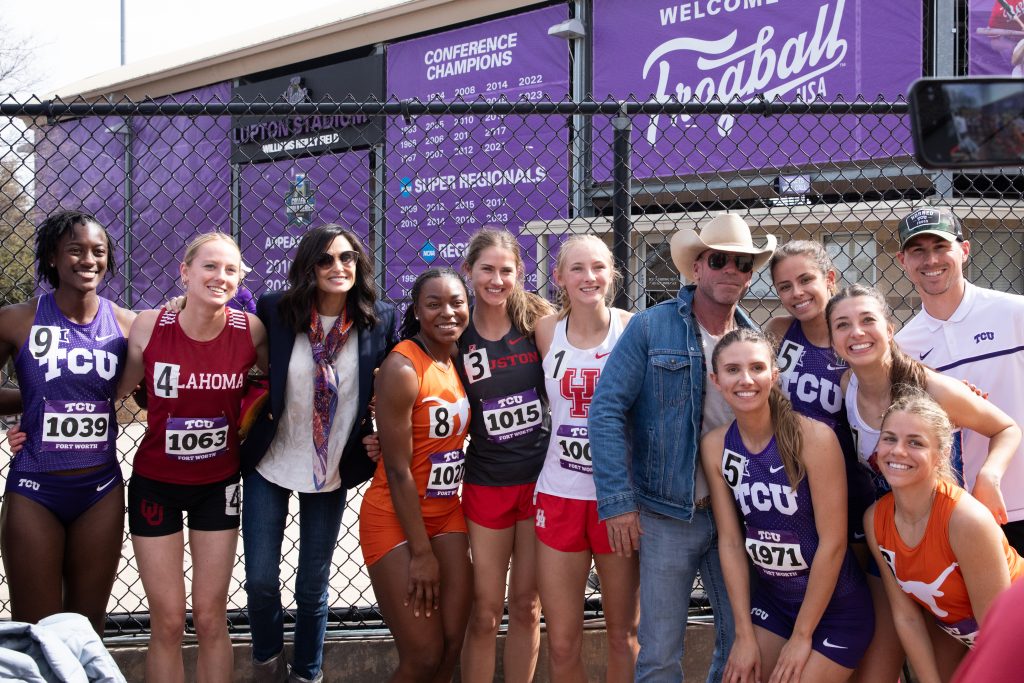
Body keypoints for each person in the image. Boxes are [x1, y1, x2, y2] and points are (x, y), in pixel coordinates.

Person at [590, 212, 777, 682]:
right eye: (720, 260)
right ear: (696, 267)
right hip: (668, 512)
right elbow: (606, 409)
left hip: (739, 512)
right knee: (659, 652)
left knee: (740, 642)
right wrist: (618, 503)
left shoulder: (755, 340)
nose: (732, 270)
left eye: (743, 263)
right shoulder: (652, 327)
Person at [825, 282, 1021, 683]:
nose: (856, 332)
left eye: (867, 320)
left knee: (991, 642)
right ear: (831, 339)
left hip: (946, 537)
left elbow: (1005, 427)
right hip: (895, 538)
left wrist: (989, 474)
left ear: (890, 329)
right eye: (842, 325)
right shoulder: (847, 389)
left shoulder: (929, 388)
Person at [240, 224, 397, 683]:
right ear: (308, 267)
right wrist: (176, 305)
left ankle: (308, 674)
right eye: (325, 260)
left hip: (331, 467)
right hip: (271, 459)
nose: (337, 267)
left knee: (312, 586)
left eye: (347, 258)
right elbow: (219, 320)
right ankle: (267, 664)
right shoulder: (276, 309)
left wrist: (379, 435)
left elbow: (392, 383)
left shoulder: (378, 318)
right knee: (261, 581)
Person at [118, 232, 268, 683]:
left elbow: (289, 383)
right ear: (185, 273)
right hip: (155, 484)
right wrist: (36, 423)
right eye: (209, 266)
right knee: (167, 622)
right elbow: (113, 395)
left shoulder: (250, 331)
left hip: (216, 487)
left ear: (239, 278)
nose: (219, 276)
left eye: (229, 269)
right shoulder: (150, 325)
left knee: (209, 617)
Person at [703, 328, 873, 683]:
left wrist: (802, 636)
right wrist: (744, 635)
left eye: (756, 368)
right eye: (733, 370)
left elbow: (833, 543)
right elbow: (732, 542)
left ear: (774, 375)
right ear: (715, 380)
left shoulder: (813, 438)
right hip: (774, 604)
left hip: (835, 610)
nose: (745, 379)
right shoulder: (716, 446)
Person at [0, 210, 134, 634]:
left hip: (100, 490)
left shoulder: (129, 325)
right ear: (53, 258)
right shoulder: (16, 319)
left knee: (84, 630)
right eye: (75, 250)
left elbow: (151, 396)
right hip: (36, 489)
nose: (88, 260)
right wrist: (36, 402)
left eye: (98, 251)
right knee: (36, 631)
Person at [359, 267, 474, 683]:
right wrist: (421, 554)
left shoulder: (457, 358)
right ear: (417, 311)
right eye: (434, 303)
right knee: (423, 656)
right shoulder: (404, 367)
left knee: (450, 647)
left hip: (447, 513)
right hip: (395, 516)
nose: (448, 312)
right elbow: (397, 467)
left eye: (457, 302)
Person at [533, 235, 638, 683]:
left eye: (598, 267)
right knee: (561, 641)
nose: (588, 277)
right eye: (576, 268)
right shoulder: (544, 331)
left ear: (612, 273)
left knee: (623, 635)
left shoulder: (633, 328)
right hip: (558, 494)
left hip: (616, 500)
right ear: (558, 277)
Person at [865, 388, 1024, 682]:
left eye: (915, 442)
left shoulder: (966, 521)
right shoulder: (875, 519)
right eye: (889, 438)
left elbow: (1000, 632)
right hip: (966, 637)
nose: (898, 451)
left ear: (941, 454)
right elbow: (907, 617)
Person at [894, 207, 1024, 553]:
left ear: (964, 251)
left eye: (940, 246)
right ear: (902, 261)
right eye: (918, 250)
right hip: (965, 514)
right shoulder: (903, 347)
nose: (931, 259)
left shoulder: (1014, 312)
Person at [456, 228, 552, 683]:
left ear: (520, 273)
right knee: (486, 610)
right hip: (487, 485)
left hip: (539, 483)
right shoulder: (455, 335)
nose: (497, 279)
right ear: (468, 272)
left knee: (528, 608)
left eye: (506, 270)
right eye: (487, 269)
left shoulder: (539, 322)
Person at [765, 241, 875, 547]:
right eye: (785, 286)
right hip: (786, 482)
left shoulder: (855, 343)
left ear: (829, 278)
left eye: (805, 280)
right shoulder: (779, 330)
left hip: (847, 484)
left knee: (854, 577)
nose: (796, 293)